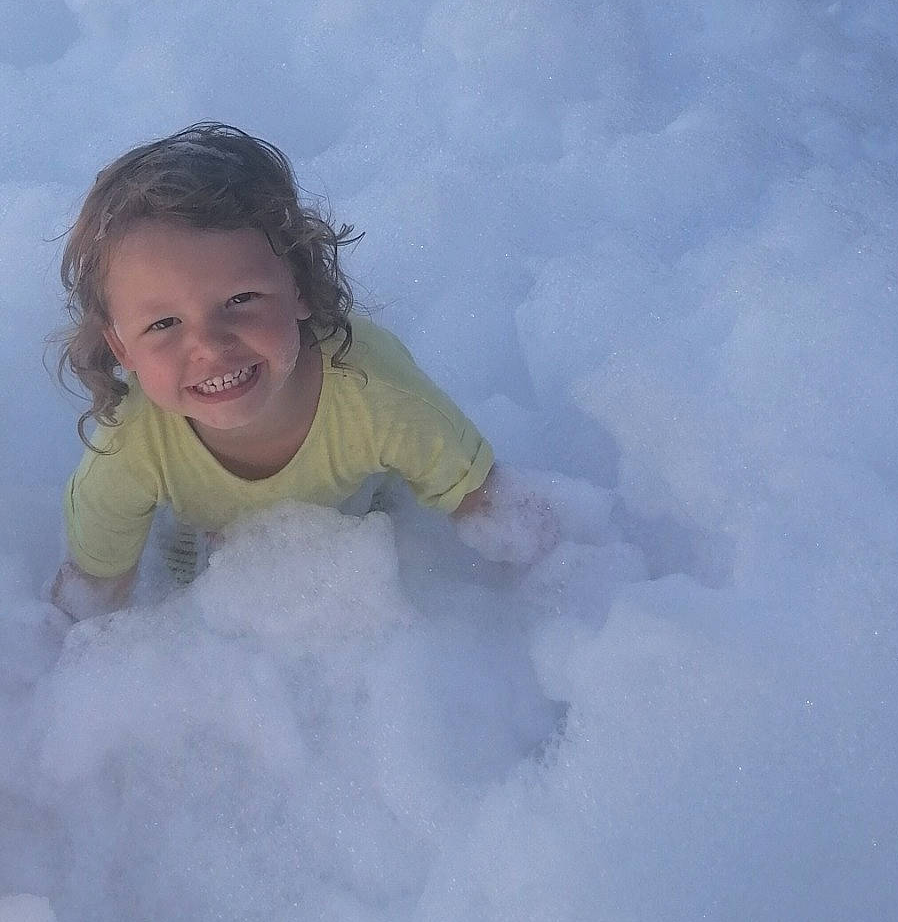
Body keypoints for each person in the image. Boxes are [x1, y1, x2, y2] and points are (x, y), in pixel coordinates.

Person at [49, 124, 560, 619]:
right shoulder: (130, 449)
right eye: (164, 323)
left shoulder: (377, 395)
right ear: (122, 349)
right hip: (203, 585)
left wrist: (560, 601)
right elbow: (91, 591)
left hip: (366, 558)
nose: (209, 344)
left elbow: (496, 511)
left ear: (298, 285)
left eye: (240, 299)